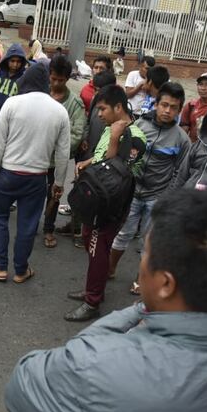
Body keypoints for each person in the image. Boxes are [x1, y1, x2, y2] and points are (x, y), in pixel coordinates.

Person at [6, 186, 207, 412]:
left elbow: (21, 387)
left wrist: (119, 322)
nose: (140, 264)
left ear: (165, 284)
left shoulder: (99, 368)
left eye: (145, 254)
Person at [0, 64, 70, 284]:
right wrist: (58, 182)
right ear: (46, 83)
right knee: (28, 225)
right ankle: (21, 270)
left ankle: (0, 266)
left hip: (8, 173)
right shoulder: (59, 111)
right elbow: (63, 153)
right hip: (37, 177)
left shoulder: (12, 103)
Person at [65, 85, 147, 321]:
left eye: (102, 109)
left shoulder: (135, 138)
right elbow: (102, 157)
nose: (99, 114)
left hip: (111, 206)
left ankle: (92, 302)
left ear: (118, 107)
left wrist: (113, 138)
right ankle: (93, 289)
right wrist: (88, 162)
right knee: (90, 246)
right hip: (96, 201)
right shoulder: (111, 128)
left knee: (98, 250)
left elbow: (117, 171)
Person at [107, 81, 191, 290]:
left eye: (173, 107)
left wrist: (167, 198)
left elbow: (181, 173)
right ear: (156, 104)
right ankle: (109, 269)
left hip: (157, 198)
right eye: (164, 105)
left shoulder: (182, 140)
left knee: (149, 243)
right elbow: (124, 156)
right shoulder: (139, 126)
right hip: (132, 193)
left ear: (179, 110)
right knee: (122, 234)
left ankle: (141, 280)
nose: (167, 110)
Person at [56, 70, 118, 248]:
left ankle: (85, 234)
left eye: (101, 90)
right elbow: (89, 124)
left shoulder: (117, 111)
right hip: (87, 155)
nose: (98, 93)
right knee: (79, 194)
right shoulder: (97, 103)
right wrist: (84, 138)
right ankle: (74, 227)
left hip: (99, 163)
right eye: (96, 89)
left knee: (92, 200)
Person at [41, 55, 86, 248]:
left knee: (54, 193)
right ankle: (28, 223)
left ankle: (49, 229)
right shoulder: (39, 94)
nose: (56, 83)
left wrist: (59, 151)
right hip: (35, 156)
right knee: (31, 192)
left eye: (61, 80)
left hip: (57, 161)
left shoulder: (75, 104)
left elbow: (76, 133)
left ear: (67, 79)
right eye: (53, 78)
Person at [0, 43, 28, 130]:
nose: (15, 64)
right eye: (12, 61)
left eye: (18, 62)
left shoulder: (23, 78)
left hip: (11, 125)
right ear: (7, 60)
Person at [180, 72, 207, 142]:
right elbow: (184, 129)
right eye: (200, 84)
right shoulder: (191, 106)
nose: (203, 88)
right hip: (193, 147)